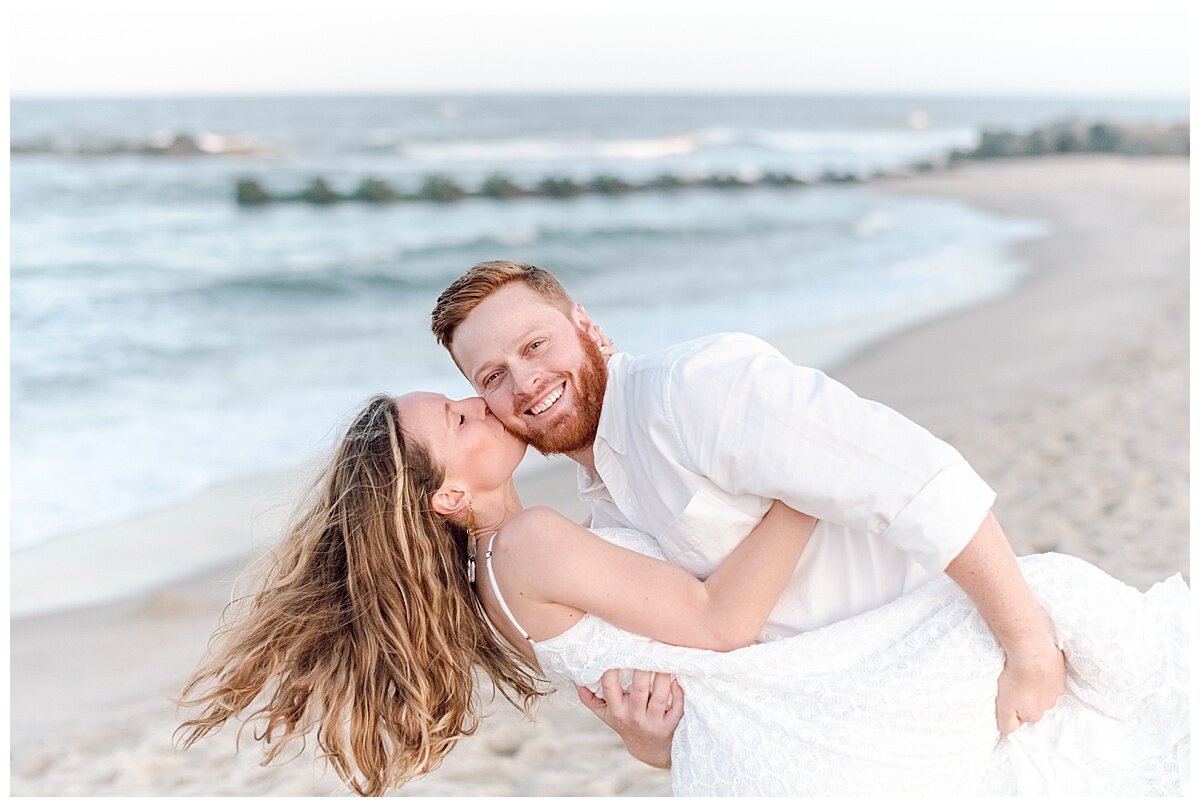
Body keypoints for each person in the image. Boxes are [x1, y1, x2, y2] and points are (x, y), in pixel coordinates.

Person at [175, 392, 1189, 796]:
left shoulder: (500, 578)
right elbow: (720, 622)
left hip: (742, 742)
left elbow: (657, 661)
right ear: (447, 491)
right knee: (1049, 599)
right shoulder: (527, 543)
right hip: (794, 719)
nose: (484, 403)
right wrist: (800, 483)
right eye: (458, 415)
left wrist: (647, 741)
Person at [429, 260, 1066, 763]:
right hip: (854, 727)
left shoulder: (695, 389)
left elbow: (920, 479)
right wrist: (651, 743)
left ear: (587, 326)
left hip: (960, 663)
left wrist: (1030, 648)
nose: (524, 382)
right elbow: (708, 674)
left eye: (536, 345)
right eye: (491, 376)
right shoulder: (601, 515)